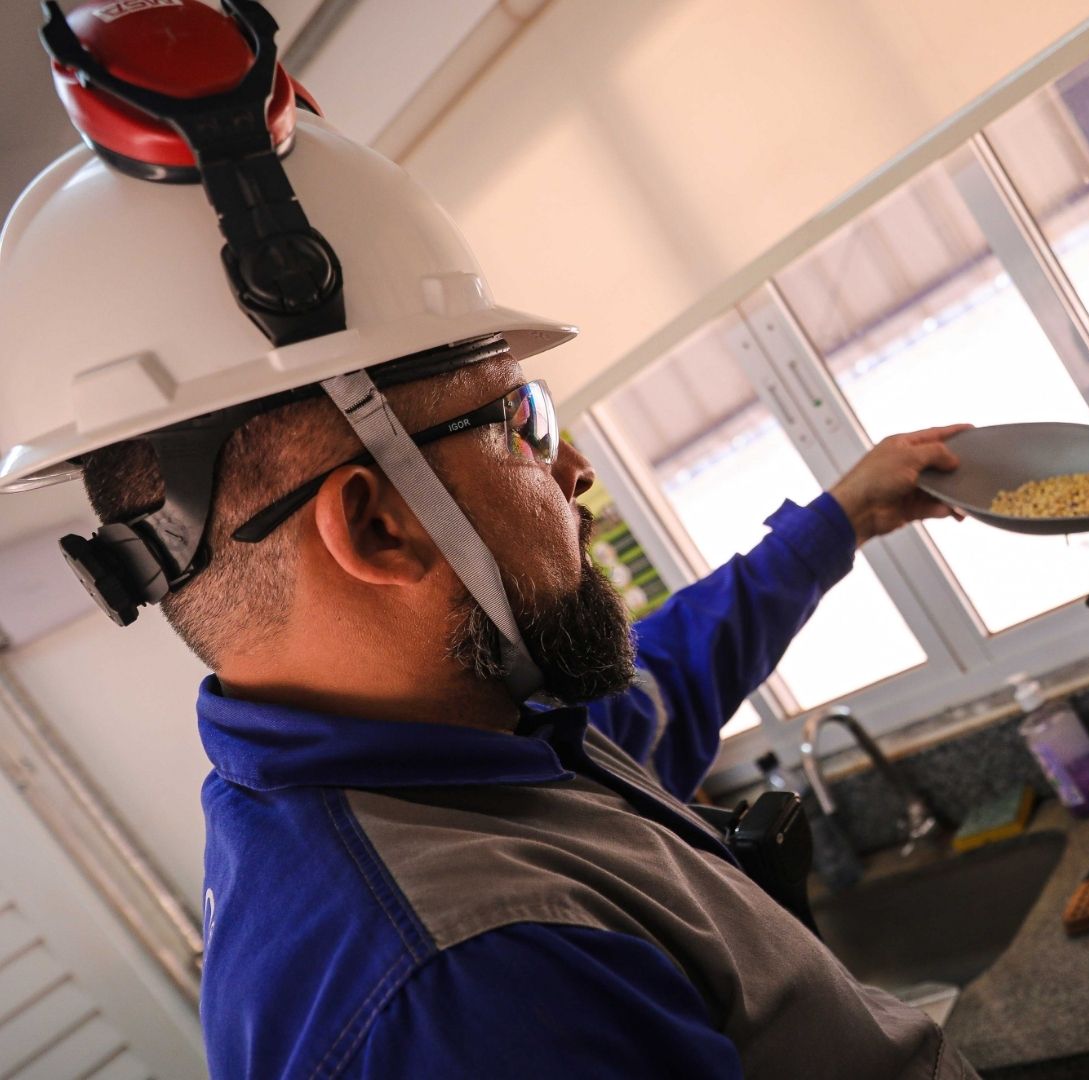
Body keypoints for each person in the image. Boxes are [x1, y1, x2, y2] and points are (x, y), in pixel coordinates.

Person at [0, 2, 978, 1077]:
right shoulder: (472, 987)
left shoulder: (468, 747)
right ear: (378, 526)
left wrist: (847, 515)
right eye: (521, 423)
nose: (574, 468)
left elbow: (662, 685)